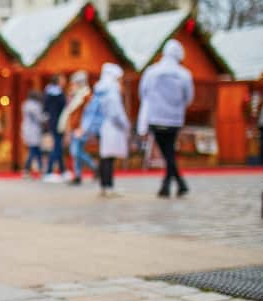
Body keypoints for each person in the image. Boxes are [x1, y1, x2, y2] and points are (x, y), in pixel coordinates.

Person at [138, 39, 193, 197]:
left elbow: (143, 93)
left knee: (167, 151)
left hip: (156, 118)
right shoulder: (184, 74)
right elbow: (188, 97)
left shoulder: (152, 72)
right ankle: (174, 183)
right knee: (169, 151)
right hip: (175, 119)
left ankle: (170, 185)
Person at [83, 63, 129, 197]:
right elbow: (115, 112)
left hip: (101, 126)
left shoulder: (100, 89)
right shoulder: (111, 90)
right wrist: (124, 124)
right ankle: (108, 186)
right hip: (111, 127)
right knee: (109, 157)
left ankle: (105, 185)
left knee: (105, 156)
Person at [58, 70, 96, 185]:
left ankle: (94, 166)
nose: (72, 85)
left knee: (76, 151)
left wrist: (83, 127)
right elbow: (70, 112)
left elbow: (87, 114)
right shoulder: (77, 95)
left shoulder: (86, 95)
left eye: (74, 83)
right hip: (75, 127)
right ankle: (78, 175)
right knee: (76, 151)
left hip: (81, 128)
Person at [43, 73, 67, 181]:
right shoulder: (58, 94)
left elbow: (45, 109)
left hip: (53, 122)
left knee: (58, 146)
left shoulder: (48, 93)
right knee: (57, 146)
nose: (64, 81)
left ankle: (62, 170)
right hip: (58, 123)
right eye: (62, 79)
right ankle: (49, 171)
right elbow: (64, 108)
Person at [21, 90, 44, 178]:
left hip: (28, 130)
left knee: (35, 150)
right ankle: (28, 169)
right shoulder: (34, 106)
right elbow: (39, 118)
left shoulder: (26, 105)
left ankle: (38, 168)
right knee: (34, 150)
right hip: (34, 130)